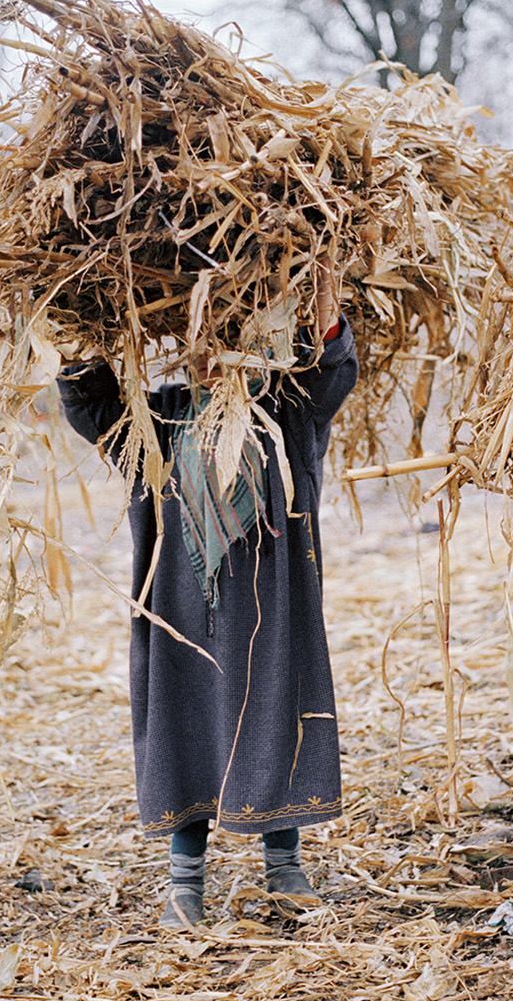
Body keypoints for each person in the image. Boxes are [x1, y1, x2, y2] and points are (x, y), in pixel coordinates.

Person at [58, 266, 357, 928]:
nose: (211, 357)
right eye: (199, 342)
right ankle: (183, 884)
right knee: (183, 725)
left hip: (270, 613)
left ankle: (286, 868)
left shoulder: (285, 413)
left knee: (277, 707)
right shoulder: (159, 418)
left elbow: (332, 372)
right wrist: (75, 332)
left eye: (226, 340)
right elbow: (91, 407)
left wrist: (325, 301)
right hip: (181, 614)